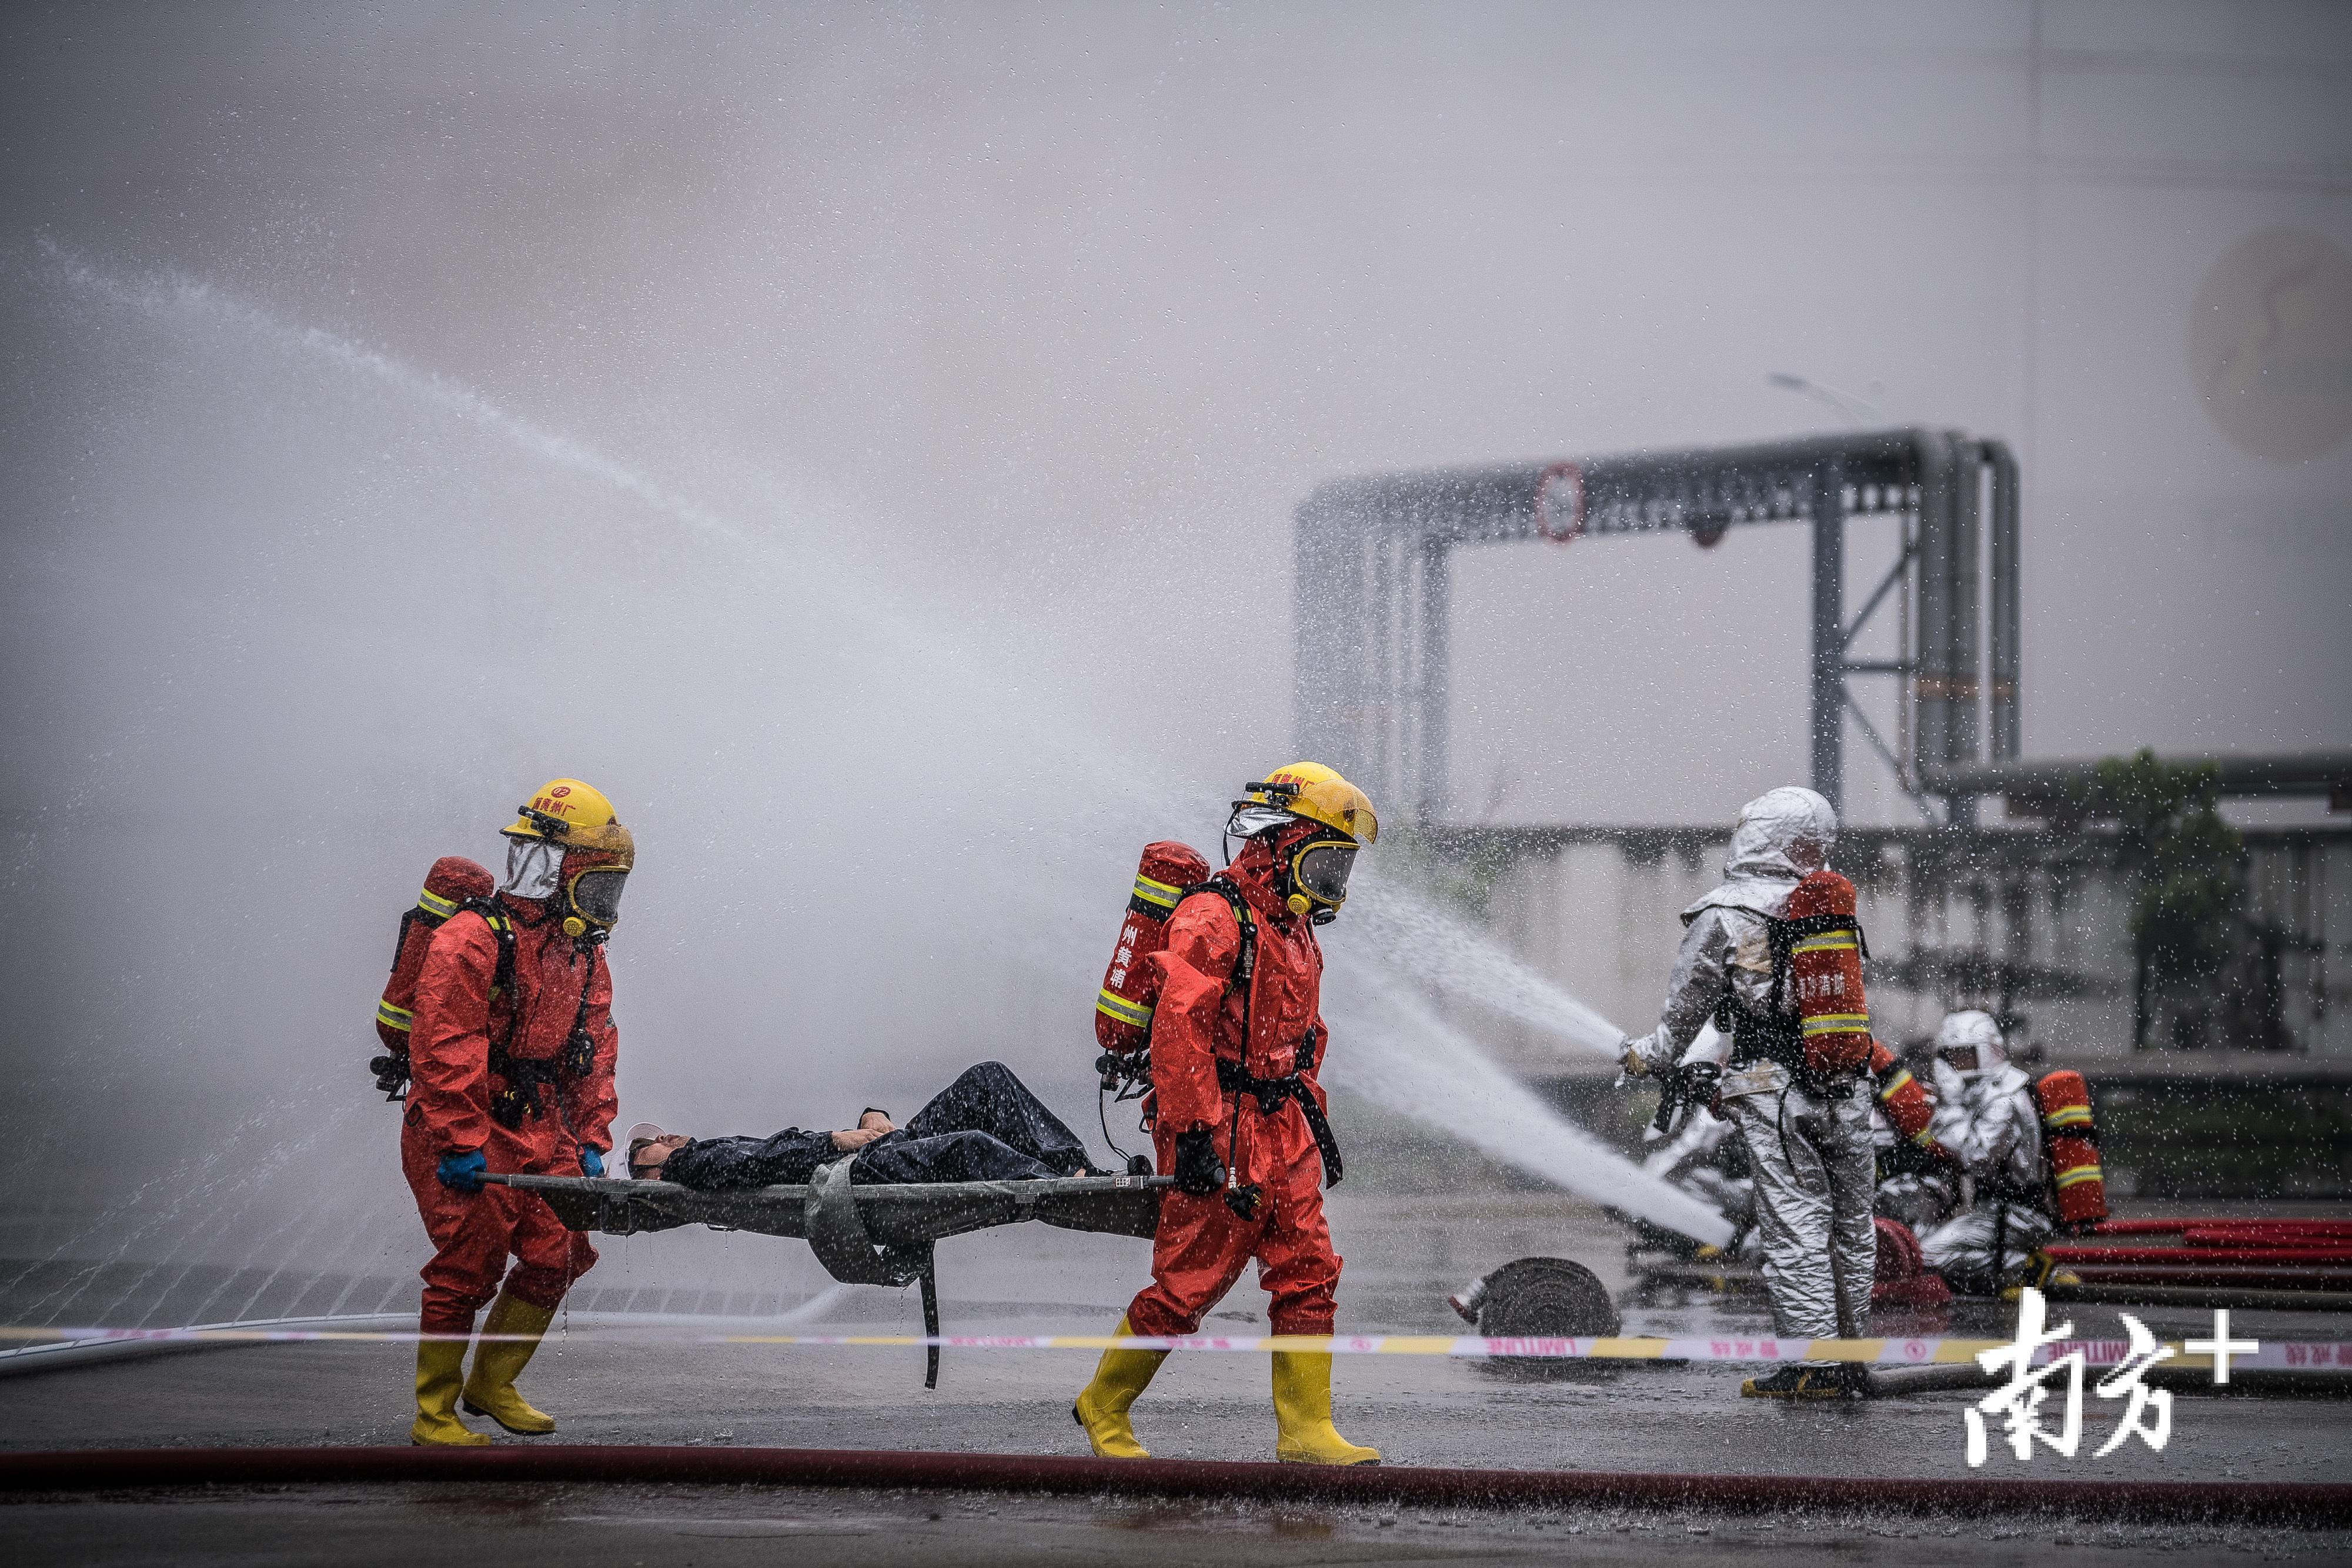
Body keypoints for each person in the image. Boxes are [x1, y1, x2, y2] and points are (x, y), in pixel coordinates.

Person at [1073, 763, 1382, 1466]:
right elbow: (1178, 1028)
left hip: (1283, 1124)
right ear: (1279, 844)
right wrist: (1191, 1135)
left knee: (1310, 1270)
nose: (1332, 881)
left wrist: (1306, 1115)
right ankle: (1104, 1405)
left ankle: (1306, 1432)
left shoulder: (1296, 930)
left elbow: (1305, 1034)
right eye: (1323, 862)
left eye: (1340, 867)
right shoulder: (1212, 916)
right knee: (1190, 1283)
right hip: (1219, 1122)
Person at [1619, 785, 1877, 1400]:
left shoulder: (1727, 912)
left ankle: (1813, 1367)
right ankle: (1850, 1358)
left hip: (1776, 1089)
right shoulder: (1826, 908)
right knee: (1852, 1226)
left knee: (1796, 1225)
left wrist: (1643, 1055)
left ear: (1754, 835)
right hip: (1847, 1085)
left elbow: (1684, 1015)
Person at [400, 778, 631, 1446]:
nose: (604, 901)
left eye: (610, 887)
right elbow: (443, 1047)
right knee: (468, 1265)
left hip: (540, 1123)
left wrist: (591, 1136)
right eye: (596, 883)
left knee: (561, 1252)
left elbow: (593, 1049)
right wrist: (459, 1139)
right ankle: (434, 1413)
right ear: (556, 867)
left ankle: (492, 1384)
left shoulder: (580, 951)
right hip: (465, 1122)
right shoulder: (472, 938)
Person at [627, 1061, 1097, 1188]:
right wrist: (835, 1140)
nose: (662, 1136)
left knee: (986, 1079)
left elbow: (766, 1156)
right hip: (858, 1170)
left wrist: (870, 1117)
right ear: (650, 1173)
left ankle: (1075, 1169)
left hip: (871, 1155)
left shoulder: (701, 1157)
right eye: (648, 1147)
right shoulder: (692, 1165)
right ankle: (1059, 1186)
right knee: (969, 1145)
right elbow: (763, 1162)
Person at [1918, 1010, 2053, 1295]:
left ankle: (2023, 1266)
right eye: (1950, 1056)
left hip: (2018, 1214)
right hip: (1994, 1210)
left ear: (1988, 1052)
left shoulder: (2005, 1099)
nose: (1956, 1064)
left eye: (1965, 1054)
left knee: (1925, 1256)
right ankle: (2017, 1266)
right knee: (1919, 1239)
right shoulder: (1982, 1093)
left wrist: (1950, 1106)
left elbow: (1976, 1156)